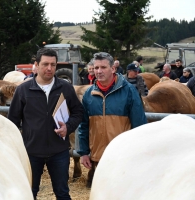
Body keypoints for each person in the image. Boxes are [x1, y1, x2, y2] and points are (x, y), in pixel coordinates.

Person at [8, 48, 84, 200]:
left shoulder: (65, 87)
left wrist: (67, 127)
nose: (49, 68)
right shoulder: (23, 90)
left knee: (62, 193)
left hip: (59, 151)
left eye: (53, 64)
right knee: (30, 193)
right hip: (31, 152)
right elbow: (12, 122)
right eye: (45, 64)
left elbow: (78, 113)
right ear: (36, 65)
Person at [78, 52, 147, 187]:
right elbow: (84, 125)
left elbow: (139, 125)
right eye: (96, 67)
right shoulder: (89, 94)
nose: (99, 71)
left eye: (103, 67)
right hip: (98, 156)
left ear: (113, 69)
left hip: (122, 156)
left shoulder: (129, 91)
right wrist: (84, 152)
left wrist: (138, 153)